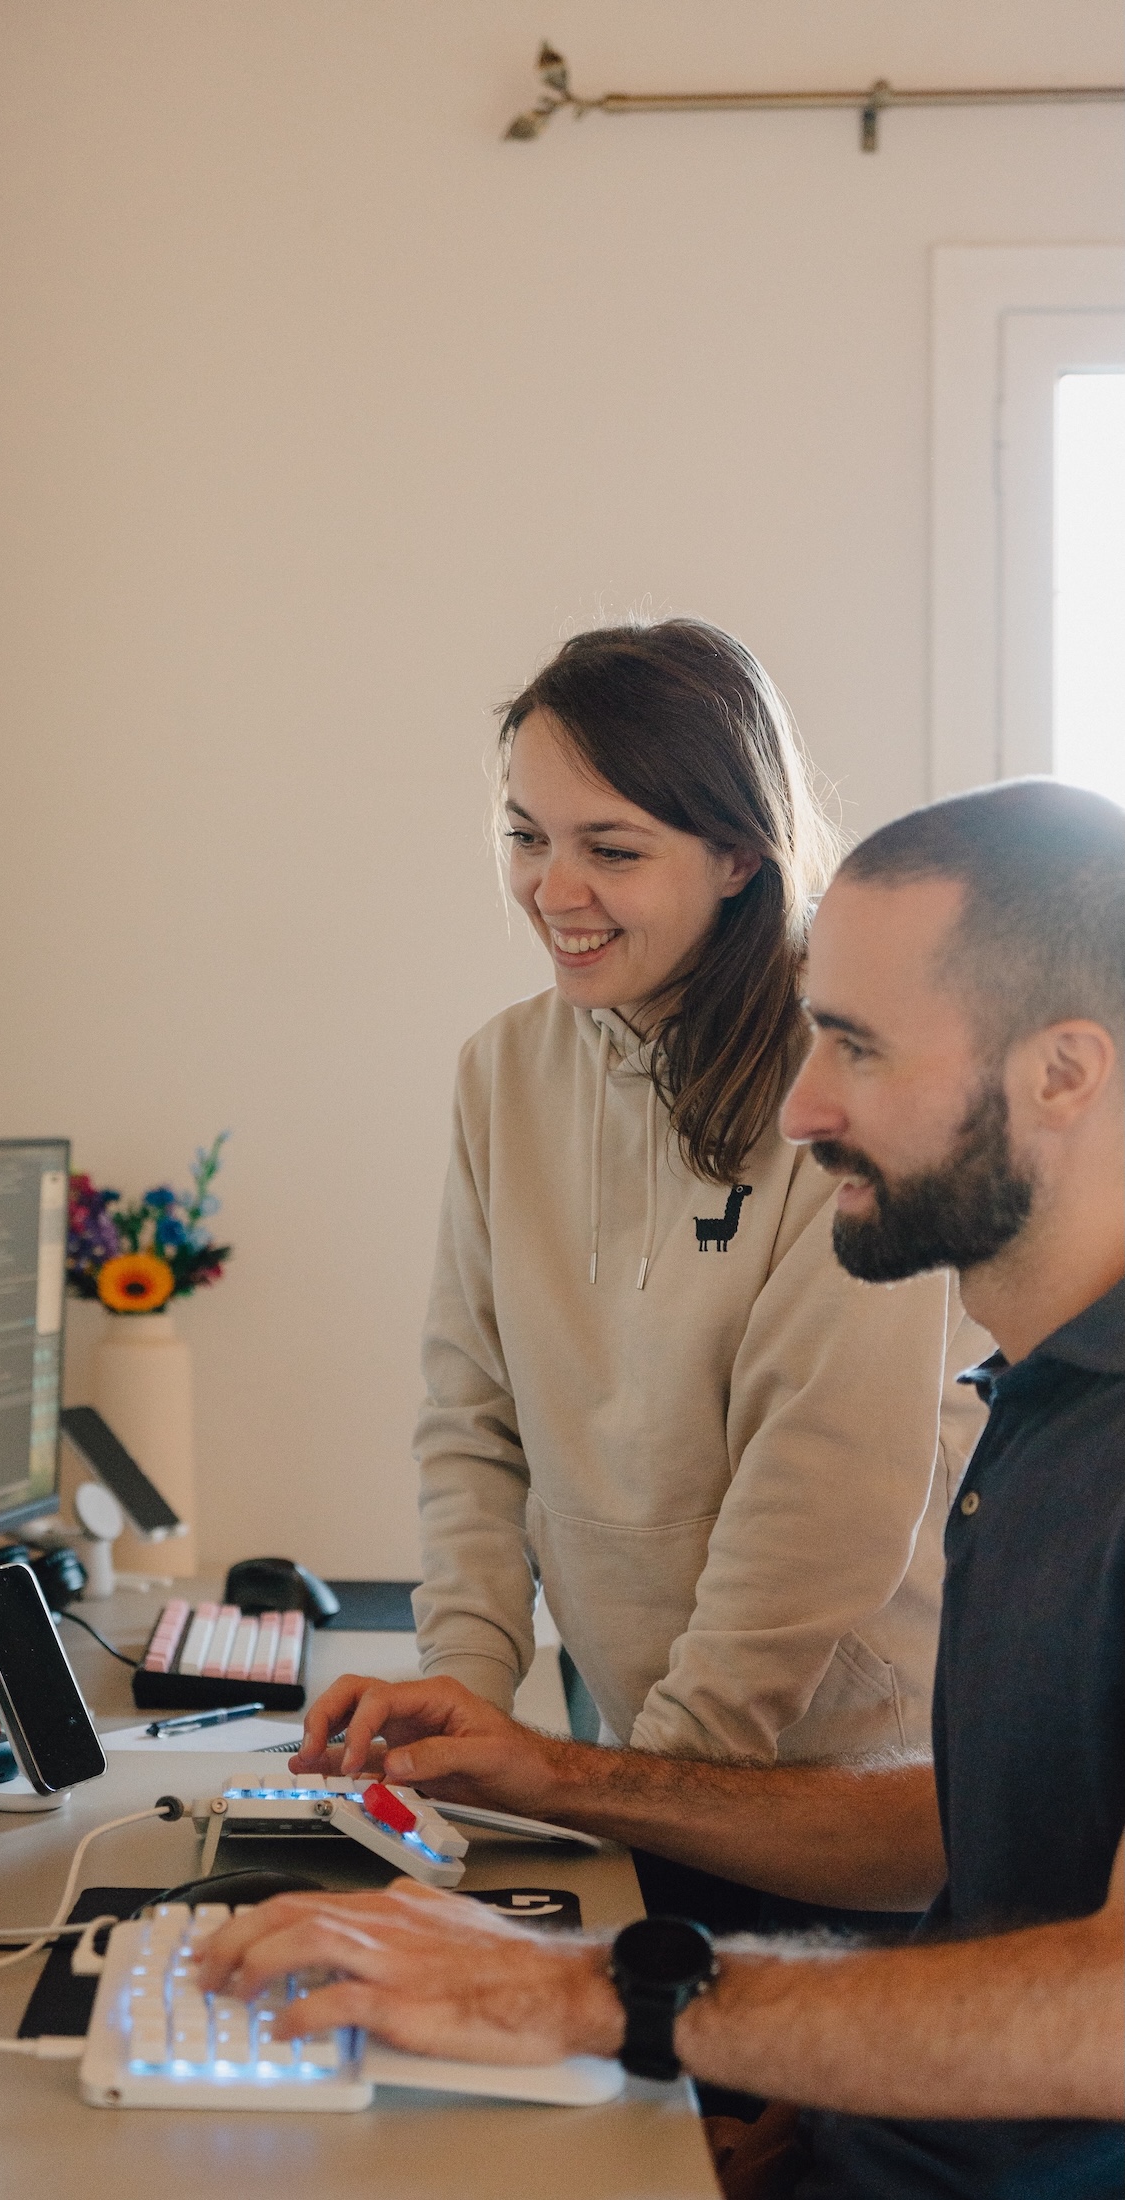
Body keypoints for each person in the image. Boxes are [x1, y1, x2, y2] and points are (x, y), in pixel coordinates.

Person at [199, 778, 1125, 2198]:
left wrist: (591, 1993)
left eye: (860, 1051)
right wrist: (552, 1776)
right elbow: (976, 1829)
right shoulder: (1043, 1404)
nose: (805, 1109)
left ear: (1063, 1072)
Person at [414, 618, 984, 1933]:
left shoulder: (842, 1082)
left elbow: (826, 1491)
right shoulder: (503, 1072)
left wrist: (628, 1786)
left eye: (611, 849)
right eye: (525, 835)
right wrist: (466, 1712)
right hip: (644, 1776)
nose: (554, 888)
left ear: (740, 855)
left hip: (845, 1806)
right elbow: (470, 1418)